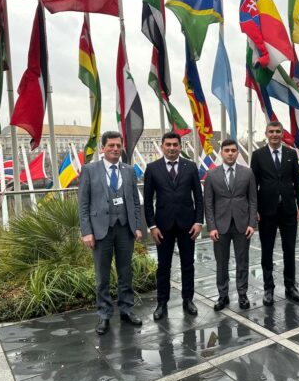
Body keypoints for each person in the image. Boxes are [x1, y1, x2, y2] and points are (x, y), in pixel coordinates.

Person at [78, 131, 143, 335]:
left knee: (126, 272)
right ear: (103, 148)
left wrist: (137, 226)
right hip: (100, 230)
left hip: (125, 229)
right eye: (111, 145)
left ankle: (126, 310)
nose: (115, 149)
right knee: (102, 275)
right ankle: (104, 315)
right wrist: (86, 231)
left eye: (118, 146)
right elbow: (83, 204)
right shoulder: (89, 170)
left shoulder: (129, 170)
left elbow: (134, 201)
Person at [144, 132, 203, 320]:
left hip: (188, 225)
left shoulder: (190, 166)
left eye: (175, 144)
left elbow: (198, 197)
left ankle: (188, 300)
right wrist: (152, 226)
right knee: (163, 266)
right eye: (168, 144)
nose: (171, 148)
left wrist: (198, 222)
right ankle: (162, 303)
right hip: (163, 226)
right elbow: (147, 201)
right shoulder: (152, 168)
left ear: (180, 146)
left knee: (188, 264)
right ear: (162, 146)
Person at [250, 121, 299, 306]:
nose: (274, 134)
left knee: (289, 249)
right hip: (266, 211)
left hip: (288, 210)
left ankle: (290, 286)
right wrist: (254, 209)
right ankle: (269, 288)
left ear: (282, 134)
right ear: (266, 134)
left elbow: (297, 181)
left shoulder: (291, 154)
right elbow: (253, 185)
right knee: (267, 250)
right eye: (271, 131)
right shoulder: (258, 155)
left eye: (277, 131)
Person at [204, 139, 257, 311]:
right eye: (227, 150)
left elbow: (253, 200)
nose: (230, 153)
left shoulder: (248, 173)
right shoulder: (212, 175)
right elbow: (208, 203)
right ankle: (223, 295)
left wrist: (252, 223)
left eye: (233, 150)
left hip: (242, 225)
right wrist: (211, 227)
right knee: (221, 263)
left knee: (242, 261)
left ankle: (242, 295)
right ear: (221, 153)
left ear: (237, 153)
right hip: (220, 226)